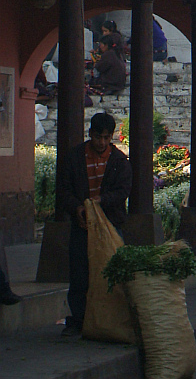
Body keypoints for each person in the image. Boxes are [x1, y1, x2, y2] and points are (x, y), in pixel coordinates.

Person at [58, 112, 132, 336]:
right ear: (90, 134)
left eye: (106, 138)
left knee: (109, 273)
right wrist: (78, 208)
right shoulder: (75, 157)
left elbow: (122, 191)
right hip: (82, 224)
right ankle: (79, 319)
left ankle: (108, 320)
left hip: (110, 223)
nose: (101, 142)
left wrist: (101, 202)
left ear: (111, 138)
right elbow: (63, 190)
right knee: (80, 274)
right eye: (98, 137)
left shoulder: (119, 161)